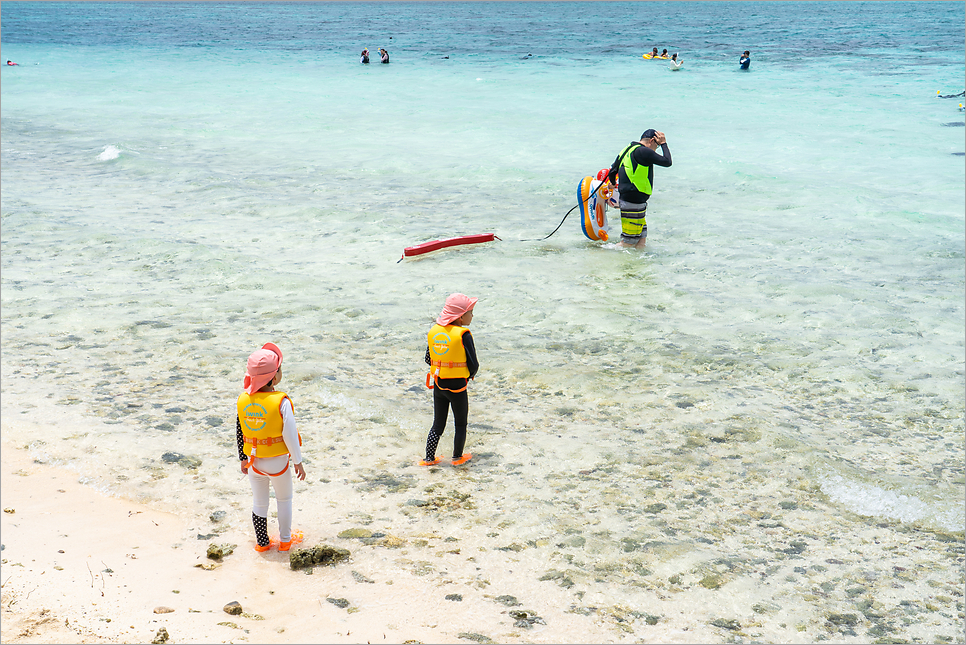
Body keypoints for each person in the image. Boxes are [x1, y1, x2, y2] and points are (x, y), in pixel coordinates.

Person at [236, 342, 306, 552]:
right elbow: (290, 434)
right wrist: (298, 461)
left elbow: (240, 431)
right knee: (284, 499)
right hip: (277, 462)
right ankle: (285, 541)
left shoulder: (243, 399)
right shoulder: (281, 402)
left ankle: (262, 543)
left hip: (254, 462)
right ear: (274, 378)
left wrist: (243, 457)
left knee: (259, 503)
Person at [421, 293, 479, 467]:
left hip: (439, 384)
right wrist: (468, 375)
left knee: (437, 425)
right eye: (471, 312)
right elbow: (474, 364)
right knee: (460, 424)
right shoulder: (464, 335)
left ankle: (429, 459)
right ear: (460, 317)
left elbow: (427, 359)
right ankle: (456, 457)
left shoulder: (434, 331)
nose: (472, 316)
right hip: (458, 387)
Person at [607, 129, 672, 249]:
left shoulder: (627, 149)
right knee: (628, 242)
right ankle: (605, 252)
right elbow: (667, 162)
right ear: (652, 141)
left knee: (641, 240)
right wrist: (664, 144)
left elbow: (612, 171)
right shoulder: (643, 151)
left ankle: (638, 265)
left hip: (632, 199)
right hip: (633, 200)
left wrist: (612, 183)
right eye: (656, 147)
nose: (654, 150)